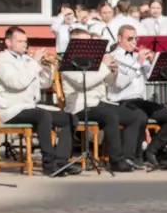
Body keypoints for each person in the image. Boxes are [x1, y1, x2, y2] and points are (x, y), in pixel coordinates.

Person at [0, 26, 78, 176]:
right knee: (43, 116)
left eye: (25, 41)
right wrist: (34, 63)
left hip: (30, 106)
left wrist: (46, 69)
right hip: (12, 109)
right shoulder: (2, 60)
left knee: (69, 118)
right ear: (8, 42)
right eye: (20, 41)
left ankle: (61, 162)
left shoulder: (26, 59)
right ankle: (49, 165)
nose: (24, 45)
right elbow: (17, 83)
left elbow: (44, 84)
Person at [60, 28, 147, 173]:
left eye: (89, 41)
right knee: (110, 116)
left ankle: (128, 156)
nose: (88, 45)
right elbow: (84, 82)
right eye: (84, 42)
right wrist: (105, 67)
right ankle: (116, 160)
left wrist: (114, 71)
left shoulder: (93, 60)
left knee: (136, 116)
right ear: (73, 43)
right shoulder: (67, 62)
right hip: (80, 106)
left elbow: (110, 83)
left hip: (99, 102)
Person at [108, 24, 167, 169]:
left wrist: (154, 61)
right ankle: (131, 157)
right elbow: (119, 84)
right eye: (130, 39)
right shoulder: (113, 57)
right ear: (119, 39)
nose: (134, 43)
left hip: (142, 100)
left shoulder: (137, 57)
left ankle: (151, 150)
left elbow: (151, 77)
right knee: (139, 116)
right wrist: (138, 63)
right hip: (123, 100)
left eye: (136, 39)